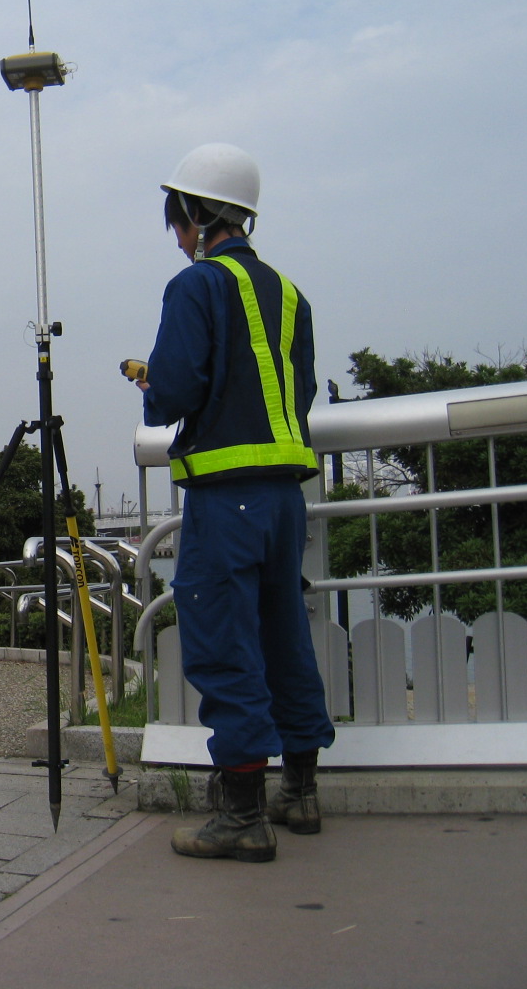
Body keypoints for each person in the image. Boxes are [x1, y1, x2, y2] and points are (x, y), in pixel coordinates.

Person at [133, 142, 335, 862]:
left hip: (226, 500)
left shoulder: (195, 286)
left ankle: (242, 815)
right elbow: (297, 393)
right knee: (285, 639)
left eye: (178, 222)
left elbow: (174, 393)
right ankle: (300, 793)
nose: (177, 238)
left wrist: (151, 385)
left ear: (197, 213)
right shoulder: (290, 295)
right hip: (284, 499)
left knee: (225, 647)